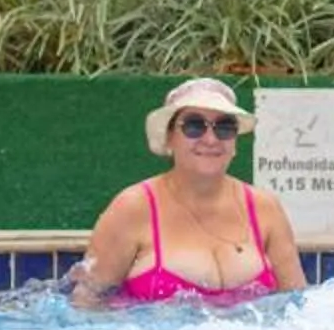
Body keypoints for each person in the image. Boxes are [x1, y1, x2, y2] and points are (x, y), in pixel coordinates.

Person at [70, 79, 305, 308]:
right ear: (169, 137)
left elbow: (299, 306)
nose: (211, 139)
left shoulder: (264, 208)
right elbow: (86, 307)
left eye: (224, 127)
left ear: (234, 143)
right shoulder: (133, 207)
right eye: (194, 126)